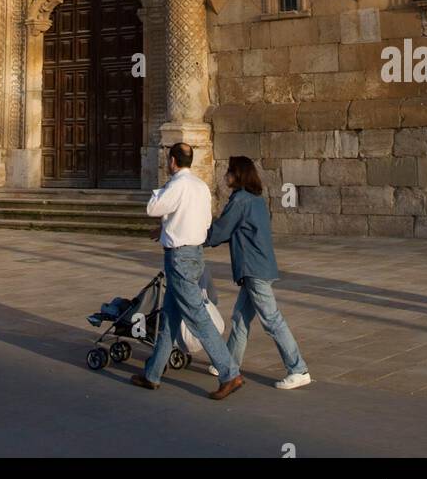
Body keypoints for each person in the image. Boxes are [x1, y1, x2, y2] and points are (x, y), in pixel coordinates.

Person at [130, 142, 244, 400]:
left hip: (179, 257)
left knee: (197, 317)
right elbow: (205, 222)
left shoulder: (177, 185)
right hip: (194, 254)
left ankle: (230, 373)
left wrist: (163, 188)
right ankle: (153, 373)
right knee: (169, 316)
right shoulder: (201, 186)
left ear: (172, 161)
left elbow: (152, 208)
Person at [205, 156, 310, 391]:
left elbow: (222, 230)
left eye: (229, 172)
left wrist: (194, 238)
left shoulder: (241, 200)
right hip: (259, 266)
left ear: (237, 175)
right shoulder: (256, 199)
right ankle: (228, 364)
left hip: (254, 269)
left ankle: (298, 368)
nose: (225, 176)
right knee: (240, 318)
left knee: (271, 320)